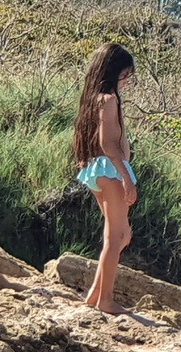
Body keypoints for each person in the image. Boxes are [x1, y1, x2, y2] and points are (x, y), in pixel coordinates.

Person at [72, 43, 138, 315]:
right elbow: (108, 143)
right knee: (116, 236)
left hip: (96, 170)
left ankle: (95, 295)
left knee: (120, 236)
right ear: (113, 71)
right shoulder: (109, 99)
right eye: (125, 74)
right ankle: (106, 300)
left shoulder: (93, 98)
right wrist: (126, 177)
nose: (127, 80)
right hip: (110, 169)